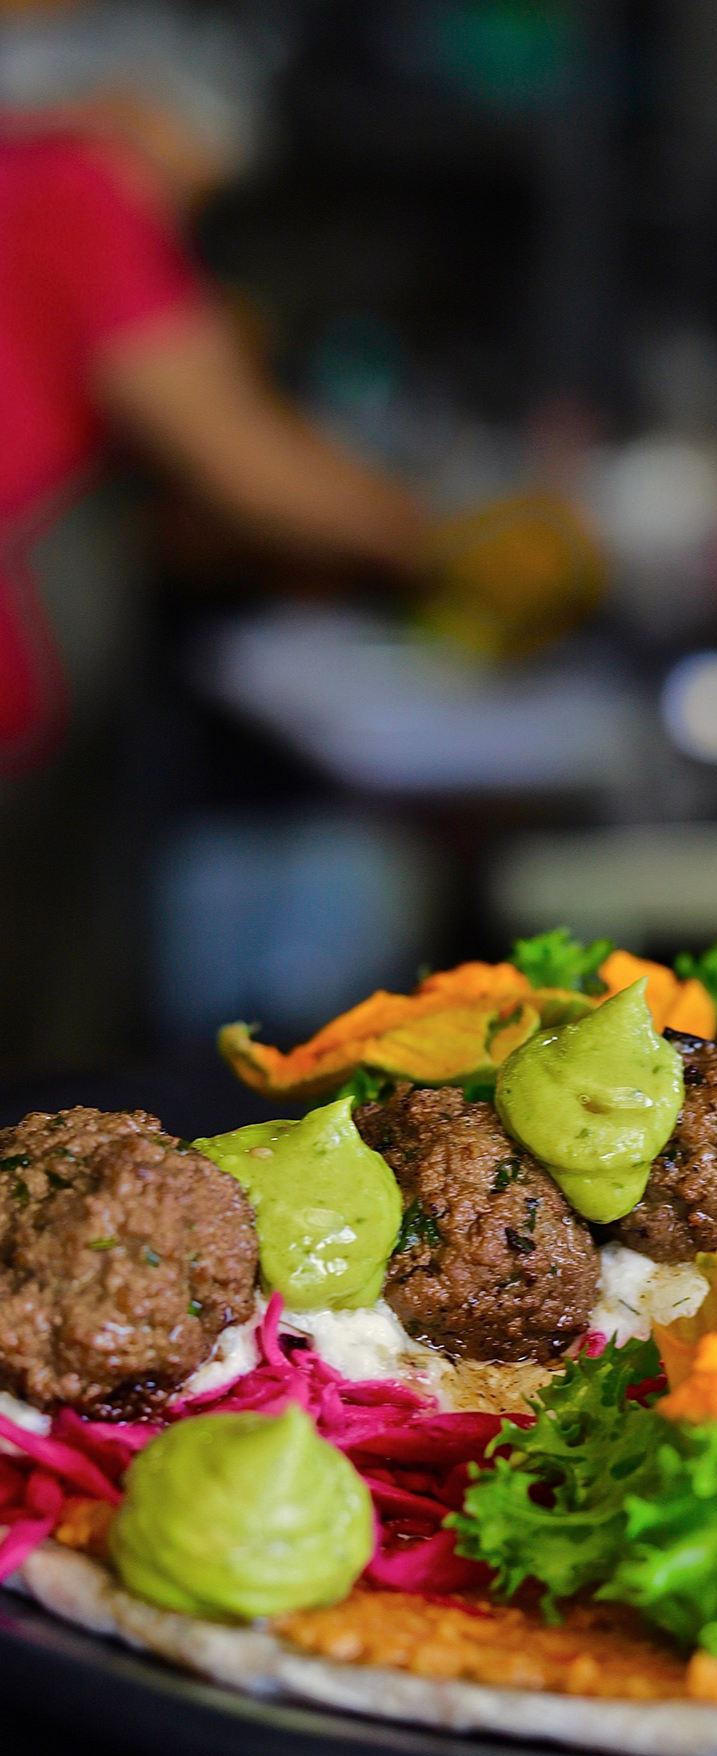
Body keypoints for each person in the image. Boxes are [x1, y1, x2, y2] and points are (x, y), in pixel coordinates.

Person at [0, 3, 431, 1063]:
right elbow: (246, 467)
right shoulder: (76, 184)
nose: (179, 222)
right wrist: (431, 534)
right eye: (187, 183)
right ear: (135, 109)